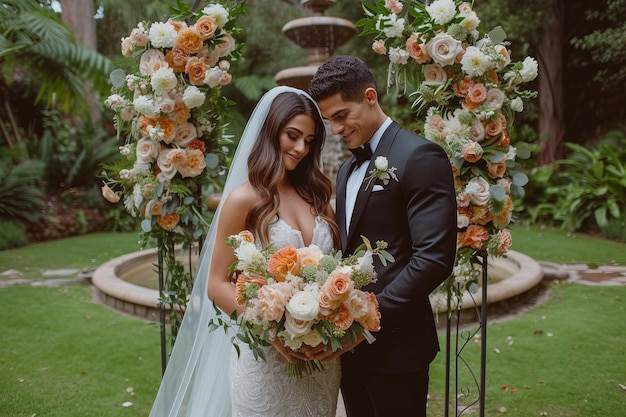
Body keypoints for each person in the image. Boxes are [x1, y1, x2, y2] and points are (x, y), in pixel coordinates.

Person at [148, 86, 342, 417]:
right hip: (266, 359)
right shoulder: (244, 199)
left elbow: (334, 271)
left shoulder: (319, 198)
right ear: (271, 132)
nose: (300, 148)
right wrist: (272, 329)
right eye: (292, 135)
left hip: (320, 360)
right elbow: (217, 283)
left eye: (309, 141)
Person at [309, 55, 457, 417]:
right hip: (349, 349)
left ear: (370, 97)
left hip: (398, 348)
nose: (337, 129)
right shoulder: (345, 171)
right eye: (330, 121)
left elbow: (434, 259)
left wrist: (368, 320)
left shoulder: (420, 155)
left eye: (342, 115)